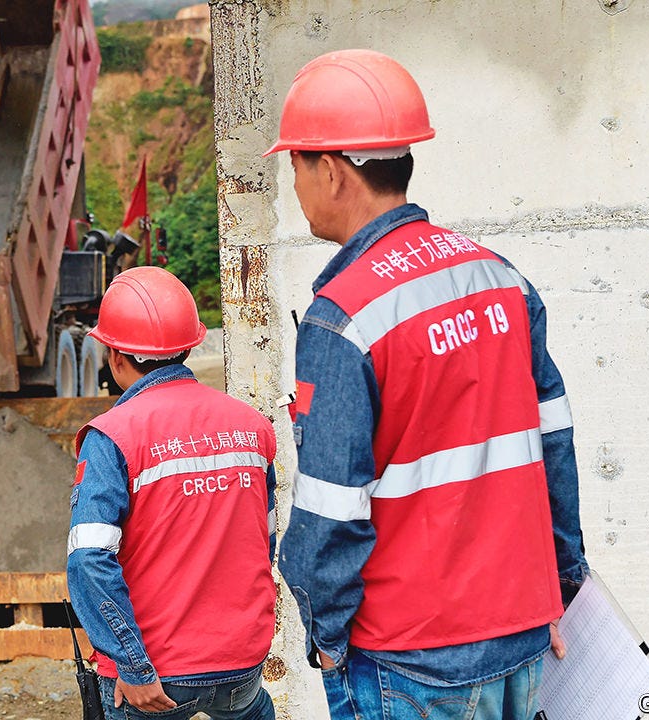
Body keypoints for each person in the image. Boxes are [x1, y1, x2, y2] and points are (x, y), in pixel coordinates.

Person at [269, 50, 590, 719]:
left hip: (410, 660)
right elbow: (552, 448)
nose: (291, 186)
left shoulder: (344, 318)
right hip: (521, 639)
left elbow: (329, 516)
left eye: (292, 166)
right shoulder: (499, 278)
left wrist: (327, 639)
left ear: (329, 171)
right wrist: (561, 589)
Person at [66, 266, 279, 720]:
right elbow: (266, 540)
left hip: (153, 676)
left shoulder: (113, 436)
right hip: (241, 663)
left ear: (115, 355)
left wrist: (132, 664)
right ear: (188, 345)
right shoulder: (251, 426)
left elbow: (88, 559)